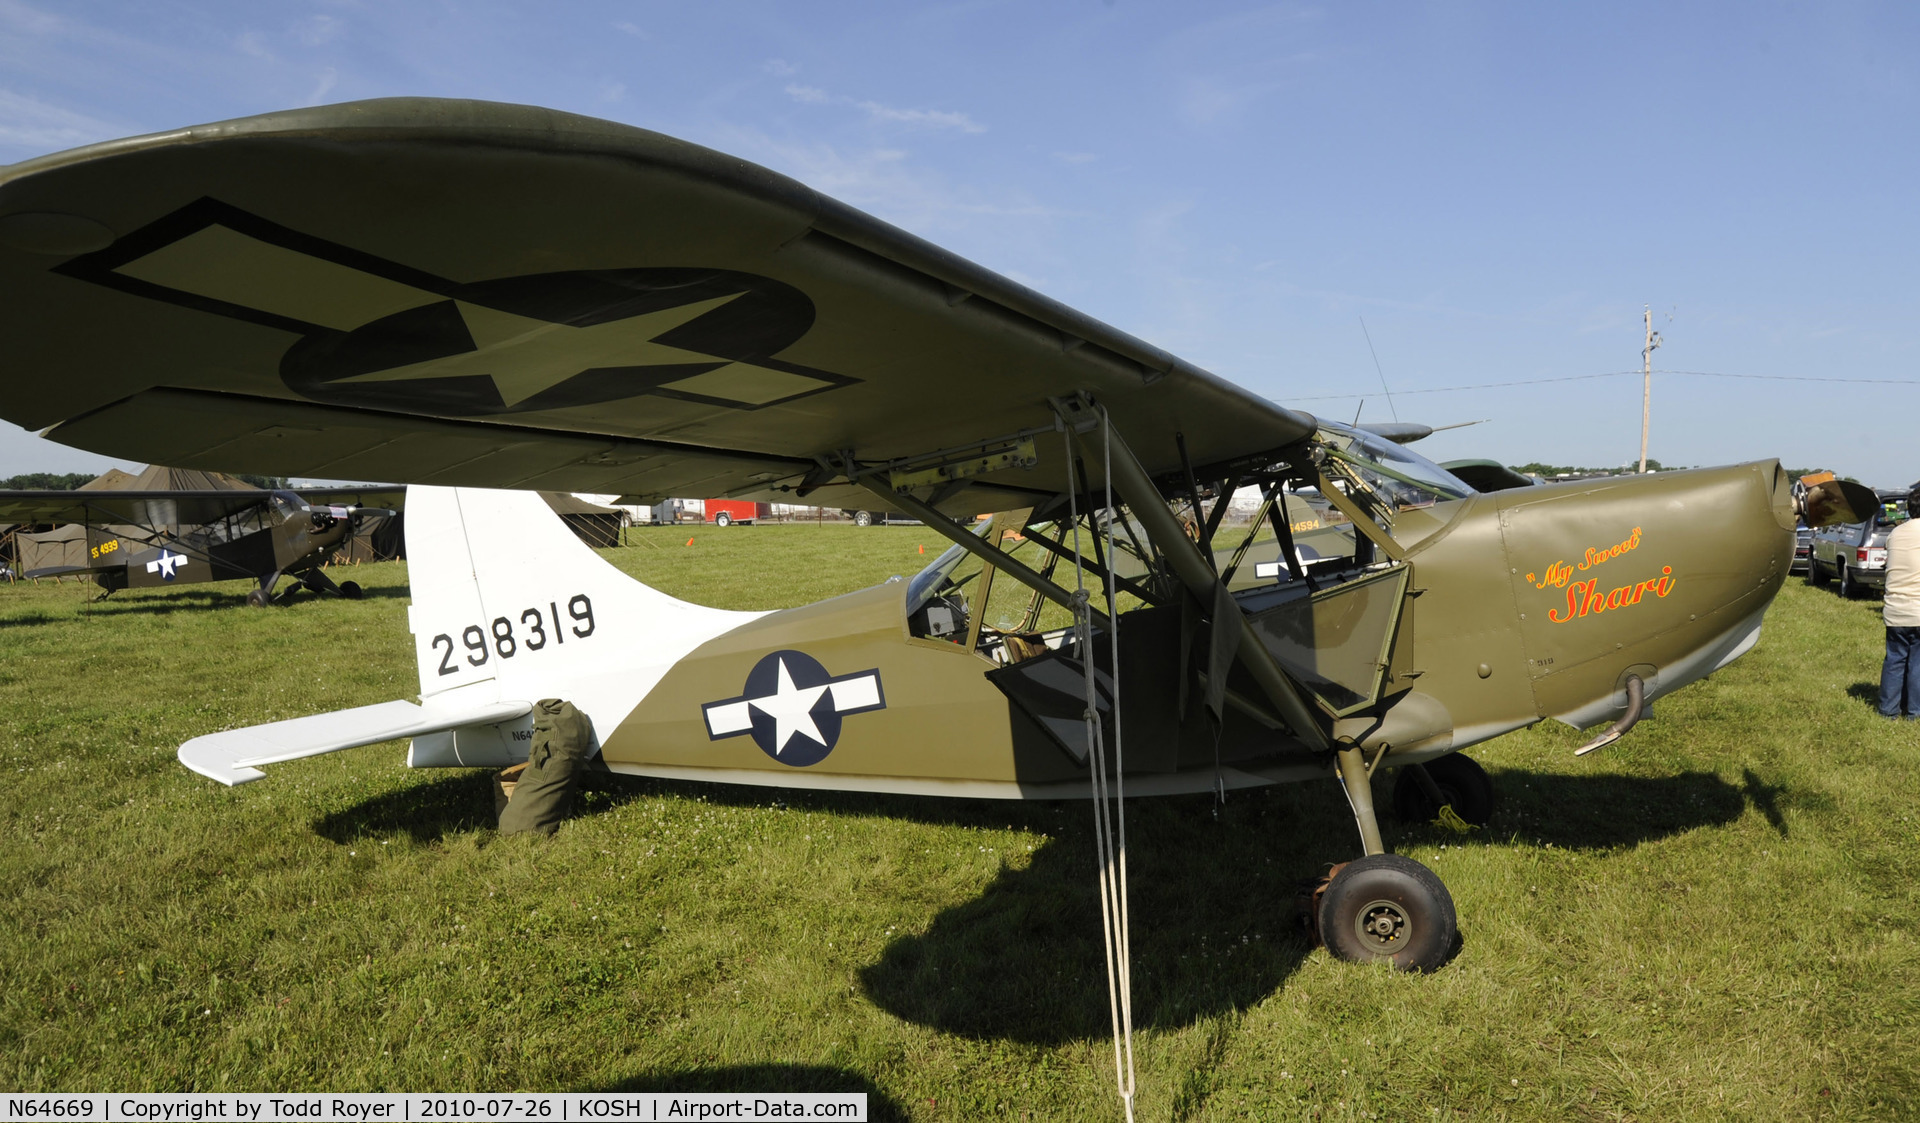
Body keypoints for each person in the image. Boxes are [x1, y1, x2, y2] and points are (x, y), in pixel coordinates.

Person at [1879, 485, 1920, 719]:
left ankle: (1888, 711)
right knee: (1918, 663)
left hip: (1895, 609)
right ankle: (1914, 712)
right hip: (1918, 609)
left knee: (1894, 660)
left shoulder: (1896, 533)